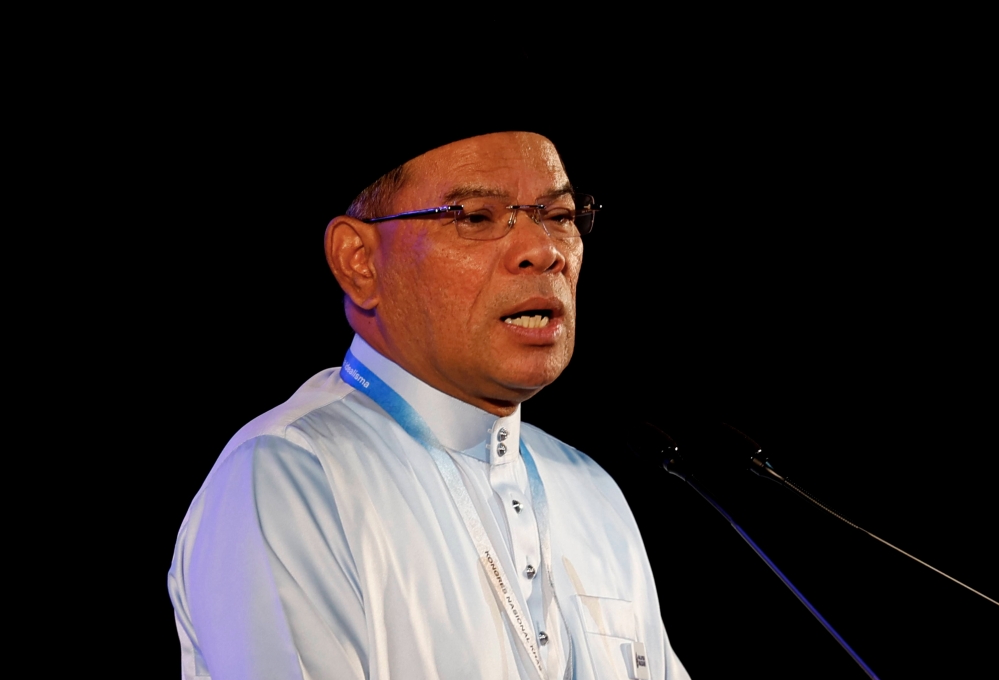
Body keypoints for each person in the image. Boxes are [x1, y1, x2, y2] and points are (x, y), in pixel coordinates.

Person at [168, 129, 690, 679]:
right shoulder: (294, 475)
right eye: (477, 217)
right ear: (359, 262)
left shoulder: (593, 494)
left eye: (558, 215)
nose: (545, 250)